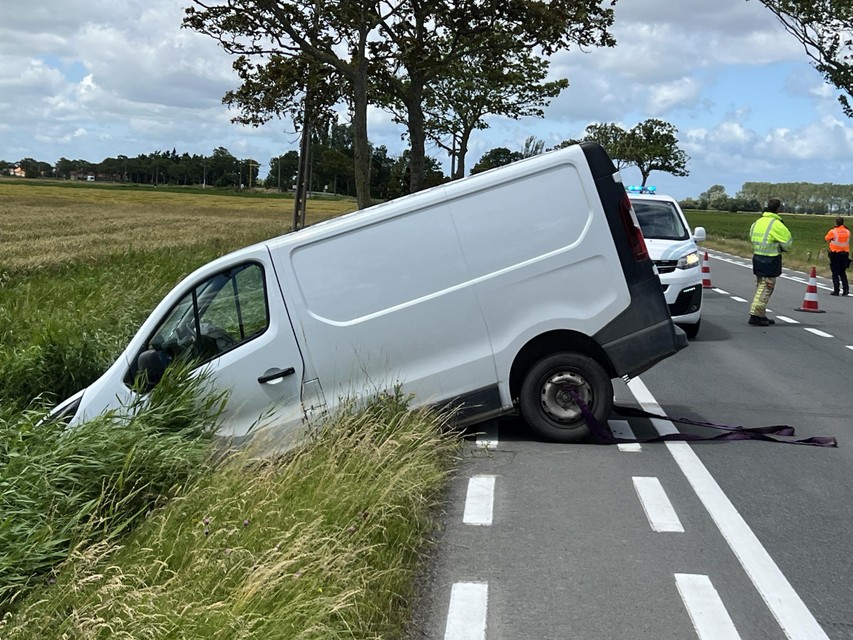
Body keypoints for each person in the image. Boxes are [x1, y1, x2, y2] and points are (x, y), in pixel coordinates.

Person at [748, 198, 792, 326]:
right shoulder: (776, 224)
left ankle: (761, 314)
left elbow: (752, 236)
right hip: (770, 259)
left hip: (757, 257)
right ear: (778, 209)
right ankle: (755, 314)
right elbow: (787, 242)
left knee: (760, 286)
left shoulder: (758, 222)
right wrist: (782, 248)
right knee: (766, 288)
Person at [824, 216, 850, 296]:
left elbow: (826, 238)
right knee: (842, 272)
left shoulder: (833, 231)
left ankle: (836, 290)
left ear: (836, 223)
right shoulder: (847, 231)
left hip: (835, 254)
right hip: (845, 254)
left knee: (835, 273)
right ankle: (846, 290)